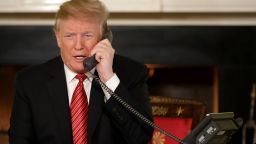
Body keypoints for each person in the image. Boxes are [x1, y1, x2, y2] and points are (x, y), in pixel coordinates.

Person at [8, 0, 154, 144]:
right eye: (70, 36)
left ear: (104, 39)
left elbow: (140, 138)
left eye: (87, 35)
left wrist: (108, 78)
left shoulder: (131, 73)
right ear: (58, 38)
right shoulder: (30, 81)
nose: (78, 46)